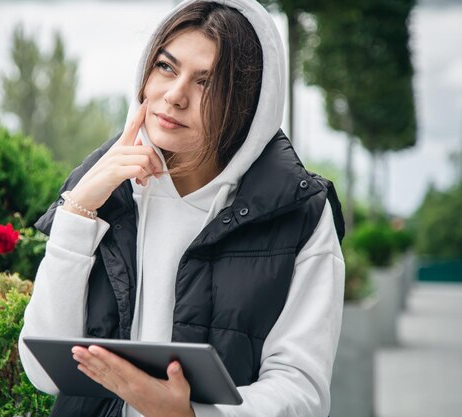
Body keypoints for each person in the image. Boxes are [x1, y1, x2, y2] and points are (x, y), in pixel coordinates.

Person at [18, 0, 346, 416]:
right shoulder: (102, 191)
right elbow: (45, 373)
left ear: (247, 104)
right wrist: (77, 212)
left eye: (206, 83)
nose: (174, 96)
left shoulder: (300, 213)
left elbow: (303, 389)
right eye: (166, 67)